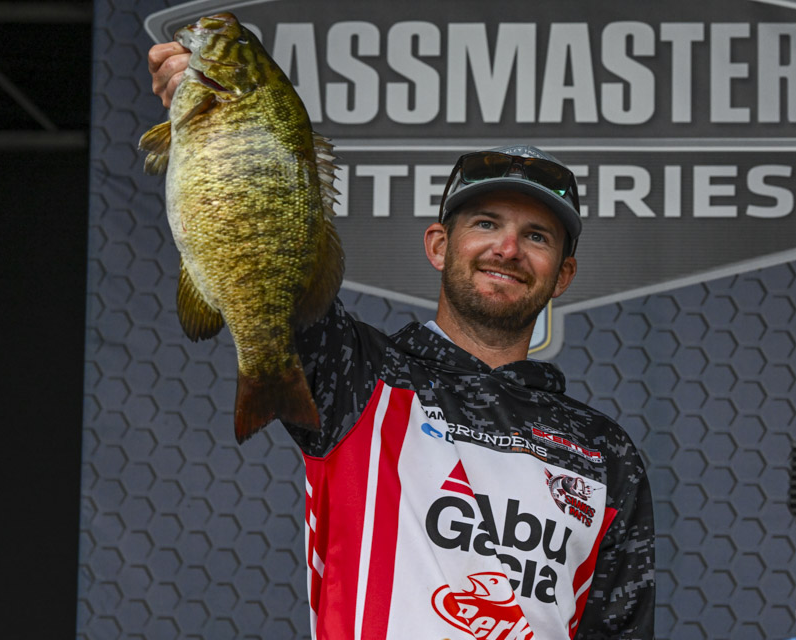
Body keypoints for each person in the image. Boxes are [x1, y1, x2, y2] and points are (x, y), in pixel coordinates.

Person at [150, 43, 655, 640]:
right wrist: (216, 116)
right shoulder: (356, 376)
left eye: (537, 236)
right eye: (486, 223)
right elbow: (266, 251)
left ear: (563, 275)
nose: (508, 249)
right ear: (439, 245)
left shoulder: (604, 452)